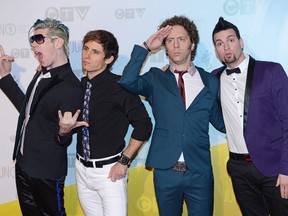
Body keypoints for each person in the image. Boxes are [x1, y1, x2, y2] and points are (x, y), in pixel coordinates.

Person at [118, 15, 225, 216]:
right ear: (165, 46)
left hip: (199, 172)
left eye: (181, 39)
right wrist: (146, 47)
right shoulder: (155, 78)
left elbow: (221, 122)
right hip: (165, 172)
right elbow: (127, 82)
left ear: (192, 44)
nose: (176, 45)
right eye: (170, 40)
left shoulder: (210, 81)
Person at [57, 30, 152, 216]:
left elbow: (144, 125)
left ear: (109, 59)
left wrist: (124, 161)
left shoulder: (119, 87)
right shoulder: (80, 85)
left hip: (109, 174)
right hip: (81, 170)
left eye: (95, 52)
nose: (86, 55)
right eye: (85, 49)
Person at [0, 18, 83, 215]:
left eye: (39, 39)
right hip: (23, 165)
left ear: (58, 42)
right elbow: (28, 111)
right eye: (31, 40)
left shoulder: (71, 87)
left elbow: (64, 138)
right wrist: (4, 77)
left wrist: (64, 131)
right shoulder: (41, 74)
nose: (33, 44)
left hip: (46, 173)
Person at [211, 17, 288, 216]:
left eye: (230, 40)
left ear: (241, 42)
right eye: (219, 44)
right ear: (216, 50)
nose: (226, 47)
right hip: (238, 169)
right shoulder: (213, 79)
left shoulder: (271, 71)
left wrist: (286, 169)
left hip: (274, 169)